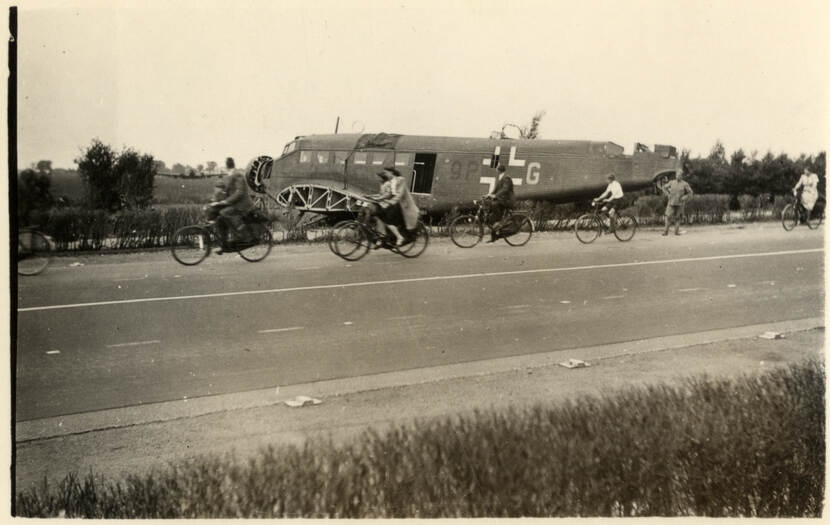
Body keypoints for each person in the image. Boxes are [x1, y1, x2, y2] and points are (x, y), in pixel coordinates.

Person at [209, 167, 254, 253]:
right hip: (235, 204)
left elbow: (239, 193)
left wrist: (225, 201)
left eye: (228, 171)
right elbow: (226, 193)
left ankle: (240, 235)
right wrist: (217, 202)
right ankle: (224, 245)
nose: (227, 173)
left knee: (224, 213)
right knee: (220, 219)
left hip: (242, 205)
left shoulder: (238, 177)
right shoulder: (230, 179)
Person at [374, 167, 420, 246]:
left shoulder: (400, 180)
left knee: (386, 218)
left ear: (392, 173)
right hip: (395, 205)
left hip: (403, 206)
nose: (385, 175)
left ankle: (398, 237)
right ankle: (383, 236)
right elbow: (389, 194)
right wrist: (377, 198)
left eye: (386, 173)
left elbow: (399, 194)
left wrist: (390, 202)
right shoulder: (391, 182)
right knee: (379, 215)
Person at [485, 164, 515, 242]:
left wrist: (495, 195)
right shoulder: (501, 178)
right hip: (502, 200)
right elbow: (496, 189)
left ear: (499, 170)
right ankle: (494, 235)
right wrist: (488, 195)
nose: (496, 170)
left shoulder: (506, 178)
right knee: (491, 209)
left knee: (494, 205)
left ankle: (498, 222)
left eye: (497, 169)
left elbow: (505, 189)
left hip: (507, 201)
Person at [662, 171, 694, 236]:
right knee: (668, 217)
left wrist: (684, 197)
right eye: (677, 175)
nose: (678, 176)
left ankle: (676, 232)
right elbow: (664, 187)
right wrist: (667, 194)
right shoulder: (671, 182)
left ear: (682, 176)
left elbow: (690, 193)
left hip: (680, 203)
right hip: (671, 203)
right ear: (675, 176)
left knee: (678, 218)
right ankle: (665, 232)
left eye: (679, 175)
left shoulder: (685, 184)